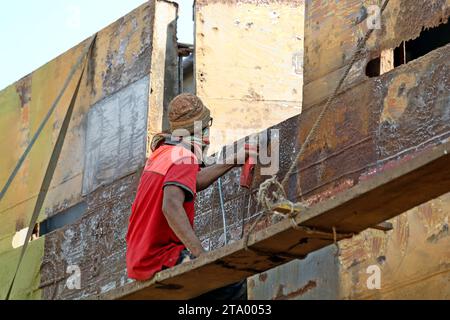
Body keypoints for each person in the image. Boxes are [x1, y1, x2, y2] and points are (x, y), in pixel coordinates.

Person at [125, 93, 254, 300]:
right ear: (202, 128)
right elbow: (171, 206)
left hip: (140, 260)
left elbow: (192, 181)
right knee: (235, 284)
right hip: (161, 259)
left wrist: (231, 161)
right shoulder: (184, 156)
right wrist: (200, 256)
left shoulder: (163, 153)